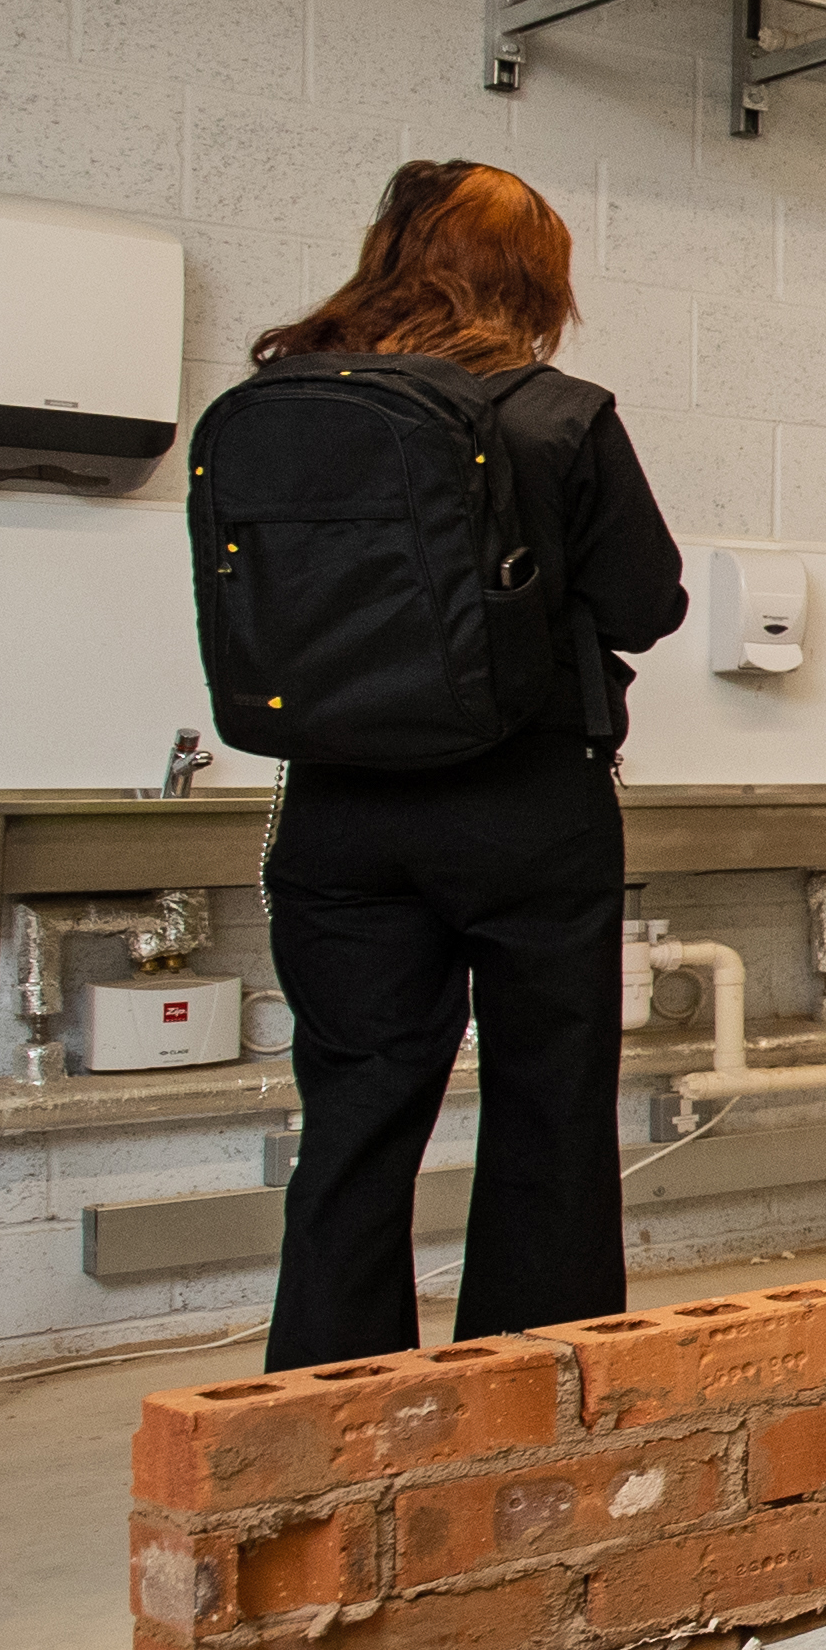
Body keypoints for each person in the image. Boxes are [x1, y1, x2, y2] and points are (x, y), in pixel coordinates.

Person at [252, 163, 686, 1367]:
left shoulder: (286, 402)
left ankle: (324, 1411)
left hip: (337, 812)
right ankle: (532, 1404)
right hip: (523, 807)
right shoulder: (558, 414)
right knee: (548, 1114)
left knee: (350, 1115)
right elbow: (645, 605)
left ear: (389, 252)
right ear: (538, 278)